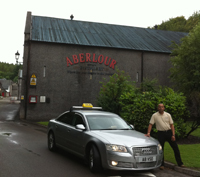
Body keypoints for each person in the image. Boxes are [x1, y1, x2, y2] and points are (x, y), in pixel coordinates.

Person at [145, 103, 185, 170]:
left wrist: (173, 135)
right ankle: (162, 164)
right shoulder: (154, 115)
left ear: (164, 108)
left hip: (169, 133)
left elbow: (172, 125)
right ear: (158, 108)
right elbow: (150, 124)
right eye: (159, 107)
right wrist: (148, 133)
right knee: (161, 149)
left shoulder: (168, 115)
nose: (161, 108)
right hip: (161, 133)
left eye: (162, 107)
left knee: (175, 148)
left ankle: (180, 163)